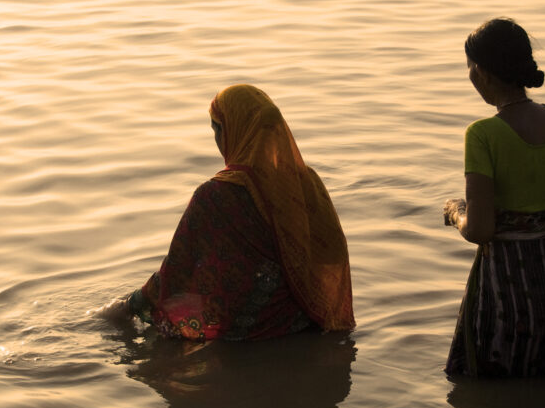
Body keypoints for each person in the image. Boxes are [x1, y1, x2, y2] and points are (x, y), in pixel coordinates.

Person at [98, 84, 355, 341]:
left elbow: (175, 274)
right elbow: (332, 255)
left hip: (244, 334)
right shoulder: (306, 183)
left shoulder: (214, 196)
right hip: (304, 323)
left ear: (232, 133)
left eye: (215, 130)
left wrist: (126, 306)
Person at [443, 18, 545, 377]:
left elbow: (481, 229)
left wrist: (456, 212)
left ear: (481, 72)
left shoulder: (482, 135)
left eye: (469, 67)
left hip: (506, 290)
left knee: (491, 387)